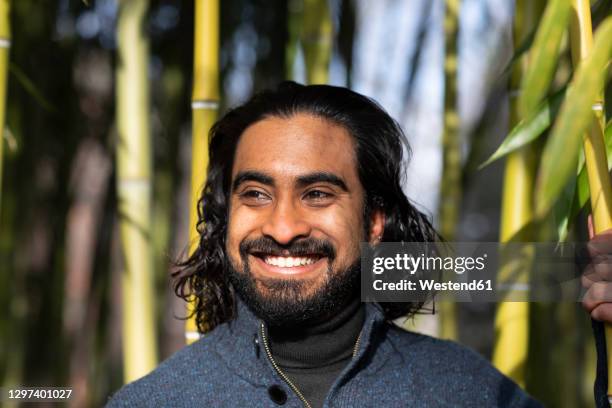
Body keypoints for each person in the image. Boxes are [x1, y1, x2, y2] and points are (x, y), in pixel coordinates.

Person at [107, 82, 542, 407]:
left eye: (317, 194)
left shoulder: (467, 391)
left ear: (374, 222)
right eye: (256, 194)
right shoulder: (154, 401)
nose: (281, 228)